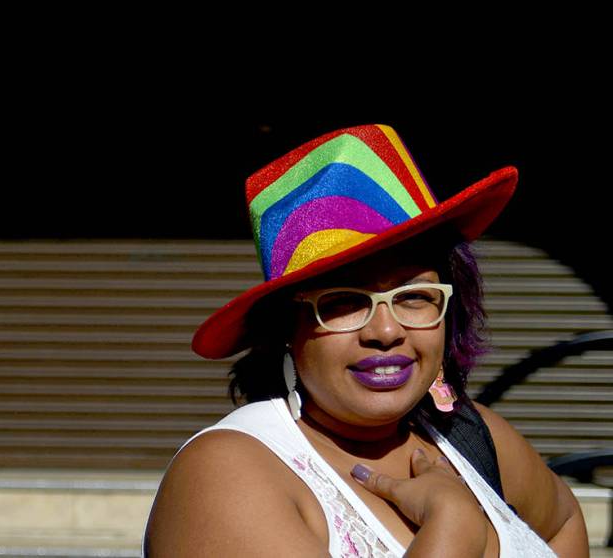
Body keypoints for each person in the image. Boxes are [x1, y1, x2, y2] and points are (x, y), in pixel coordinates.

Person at [144, 125, 588, 556]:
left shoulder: (475, 436)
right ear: (285, 328)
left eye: (413, 297)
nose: (386, 331)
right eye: (344, 302)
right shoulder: (228, 476)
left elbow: (564, 522)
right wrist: (453, 527)